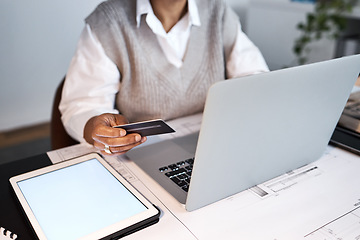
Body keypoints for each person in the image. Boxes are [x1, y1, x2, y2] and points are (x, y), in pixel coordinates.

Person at [59, 0, 269, 156]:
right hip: (141, 154)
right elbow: (83, 106)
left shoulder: (217, 11)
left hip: (211, 148)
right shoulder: (108, 22)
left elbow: (255, 80)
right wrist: (96, 127)